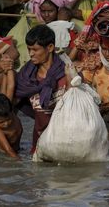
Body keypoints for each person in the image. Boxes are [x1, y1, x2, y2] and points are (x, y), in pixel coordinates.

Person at [15, 25, 69, 153]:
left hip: (66, 142)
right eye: (29, 49)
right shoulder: (26, 76)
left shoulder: (67, 73)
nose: (30, 54)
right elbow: (10, 106)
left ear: (50, 47)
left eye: (35, 49)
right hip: (39, 143)